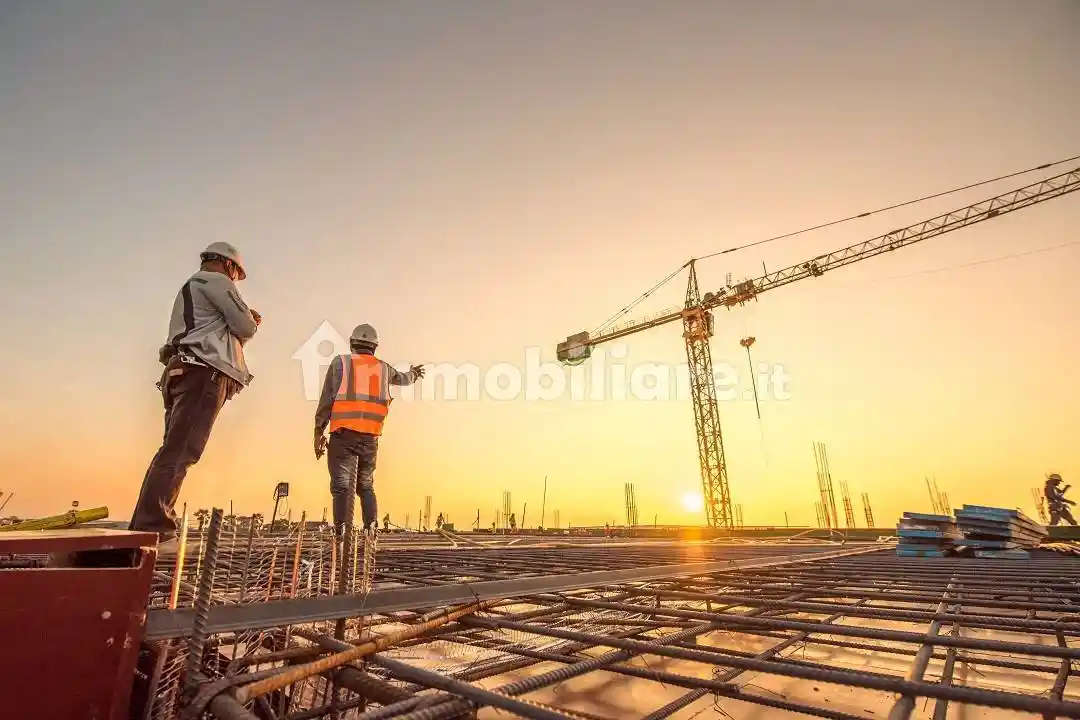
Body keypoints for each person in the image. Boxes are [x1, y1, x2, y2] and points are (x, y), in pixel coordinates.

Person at [130, 243, 261, 553]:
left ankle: (145, 528)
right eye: (236, 275)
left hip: (182, 371)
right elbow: (244, 326)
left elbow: (216, 328)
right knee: (180, 452)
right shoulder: (216, 282)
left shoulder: (192, 288)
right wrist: (251, 320)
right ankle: (156, 531)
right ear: (229, 267)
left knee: (172, 451)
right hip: (202, 373)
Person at [314, 323, 424, 536]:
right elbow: (403, 379)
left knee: (341, 486)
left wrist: (318, 430)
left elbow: (327, 399)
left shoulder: (341, 363)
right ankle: (370, 528)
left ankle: (342, 532)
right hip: (370, 438)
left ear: (352, 343)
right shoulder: (384, 369)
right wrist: (414, 374)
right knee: (365, 485)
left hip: (343, 435)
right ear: (375, 347)